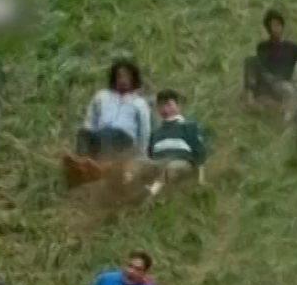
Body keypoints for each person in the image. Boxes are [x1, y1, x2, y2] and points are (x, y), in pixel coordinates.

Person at [66, 60, 151, 188]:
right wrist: (88, 134)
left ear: (133, 79)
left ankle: (102, 168)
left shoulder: (139, 102)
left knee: (108, 133)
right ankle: (82, 164)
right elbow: (90, 119)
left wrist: (141, 156)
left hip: (124, 138)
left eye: (127, 76)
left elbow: (145, 130)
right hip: (100, 134)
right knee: (83, 132)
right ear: (114, 78)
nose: (123, 80)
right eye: (119, 76)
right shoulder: (102, 96)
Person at [134, 89, 210, 199]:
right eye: (161, 105)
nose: (165, 109)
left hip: (180, 163)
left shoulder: (188, 126)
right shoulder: (155, 132)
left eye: (169, 104)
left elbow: (199, 152)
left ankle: (151, 194)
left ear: (178, 106)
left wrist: (200, 179)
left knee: (169, 167)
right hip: (158, 163)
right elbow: (149, 154)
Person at [245, 9, 297, 106]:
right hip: (267, 82)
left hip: (284, 83)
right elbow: (261, 68)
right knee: (250, 60)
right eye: (270, 26)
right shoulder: (263, 47)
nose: (274, 29)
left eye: (277, 25)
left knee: (287, 89)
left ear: (282, 26)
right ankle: (249, 97)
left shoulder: (294, 48)